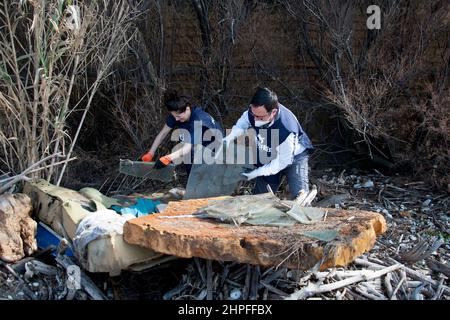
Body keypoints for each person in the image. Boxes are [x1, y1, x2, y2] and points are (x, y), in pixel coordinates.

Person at [222, 87, 313, 198]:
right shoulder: (253, 112)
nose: (255, 120)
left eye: (260, 117)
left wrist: (257, 172)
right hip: (268, 150)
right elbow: (241, 125)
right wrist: (228, 139)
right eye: (253, 114)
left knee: (300, 196)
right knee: (259, 199)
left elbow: (281, 162)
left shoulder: (287, 130)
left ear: (273, 112)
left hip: (294, 157)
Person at [141, 91, 222, 174]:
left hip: (214, 150)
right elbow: (162, 134)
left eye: (178, 116)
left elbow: (187, 148)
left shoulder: (199, 121)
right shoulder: (177, 113)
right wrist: (150, 153)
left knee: (201, 174)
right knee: (190, 167)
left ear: (187, 109)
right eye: (174, 116)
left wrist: (167, 158)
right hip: (194, 148)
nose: (176, 119)